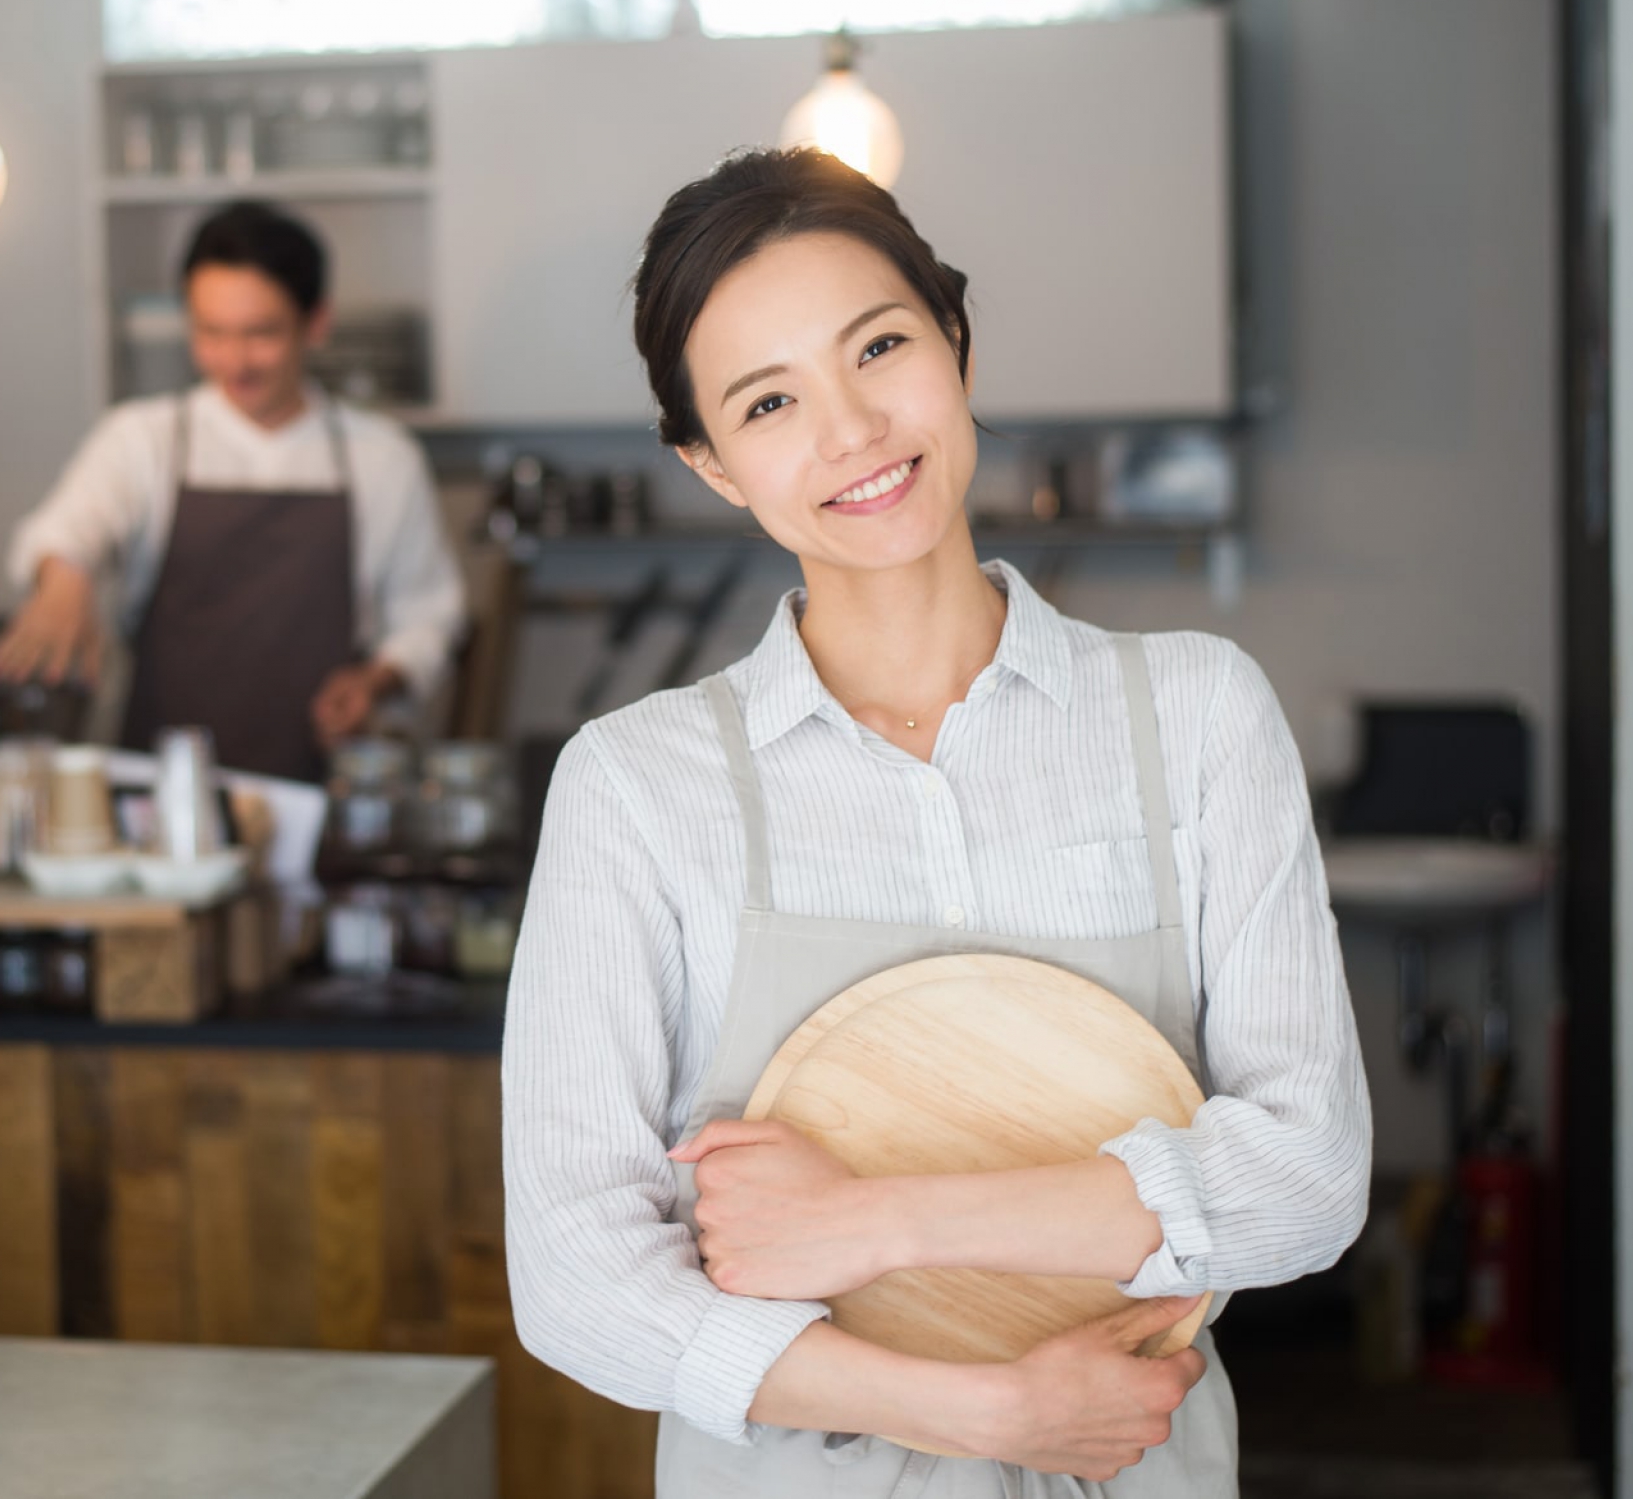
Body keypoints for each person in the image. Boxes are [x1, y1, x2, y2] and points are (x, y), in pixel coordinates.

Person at [501, 149, 1370, 1494]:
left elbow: (1308, 1173)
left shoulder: (1198, 714)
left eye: (881, 346)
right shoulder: (636, 782)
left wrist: (865, 1220)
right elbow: (574, 1274)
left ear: (954, 343)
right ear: (711, 462)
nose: (850, 429)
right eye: (770, 399)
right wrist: (990, 1409)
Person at [0, 202, 465, 782]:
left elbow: (429, 617)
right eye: (210, 333)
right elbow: (68, 530)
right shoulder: (145, 437)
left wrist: (375, 682)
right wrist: (65, 579)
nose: (235, 361)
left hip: (319, 789)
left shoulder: (383, 459)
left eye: (261, 334)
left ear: (316, 322)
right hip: (163, 794)